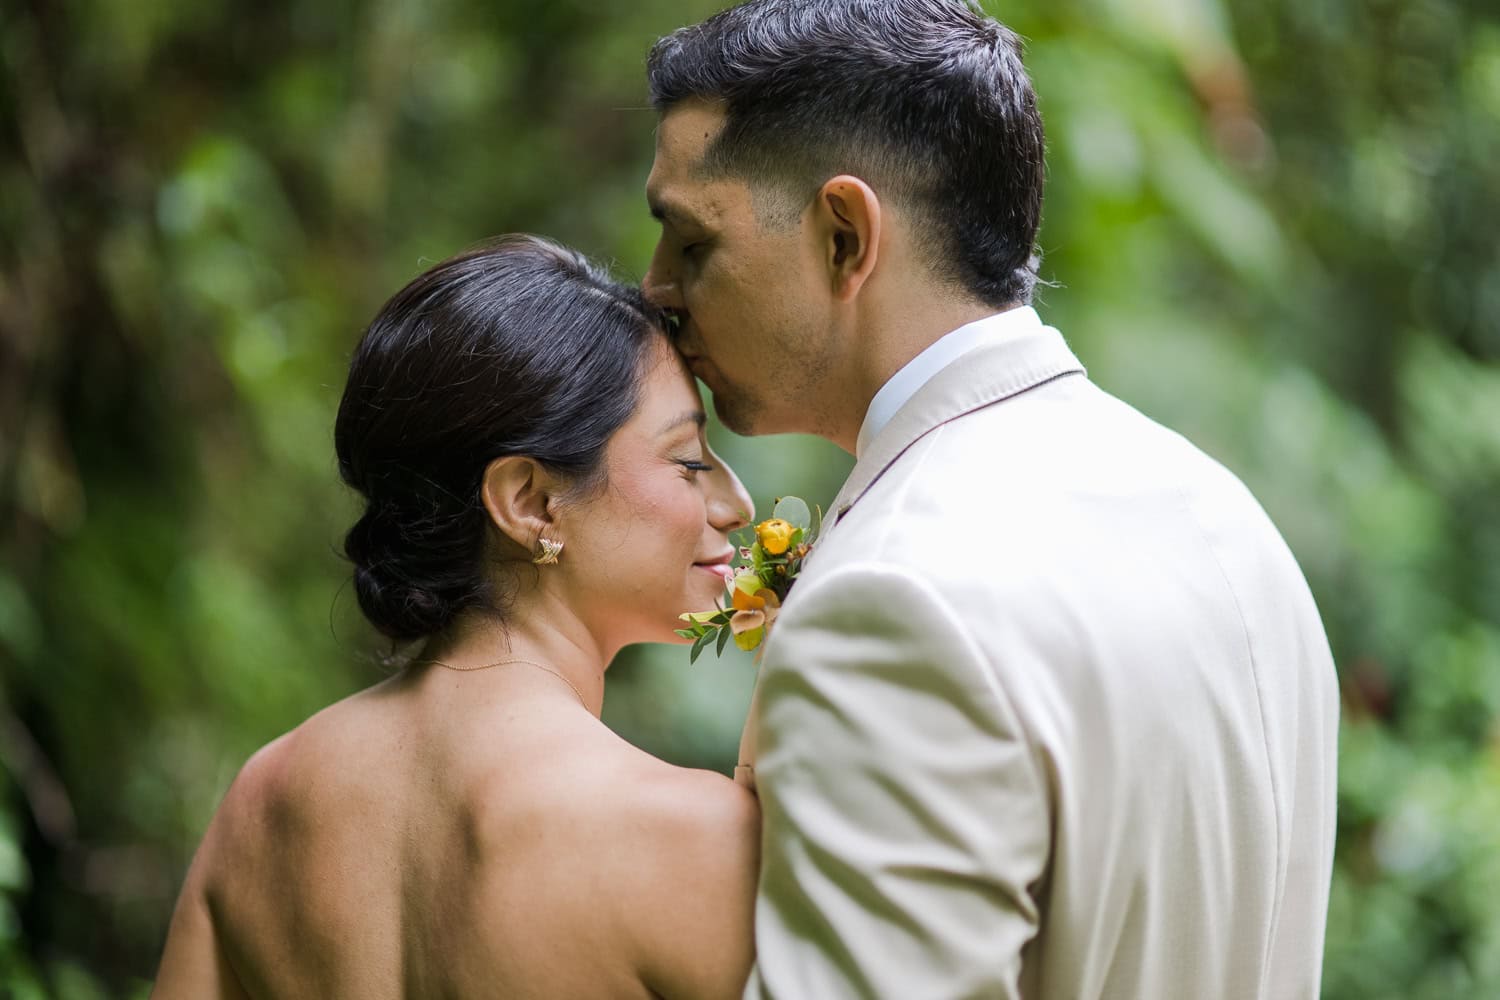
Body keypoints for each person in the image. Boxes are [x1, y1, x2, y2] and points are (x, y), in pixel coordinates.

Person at [642, 2, 1340, 998]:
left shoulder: (891, 599)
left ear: (844, 237)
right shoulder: (1228, 521)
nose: (654, 285)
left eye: (691, 240)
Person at [152, 235, 761, 999]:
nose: (735, 506)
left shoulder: (262, 802)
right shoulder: (681, 835)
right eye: (690, 460)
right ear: (531, 502)